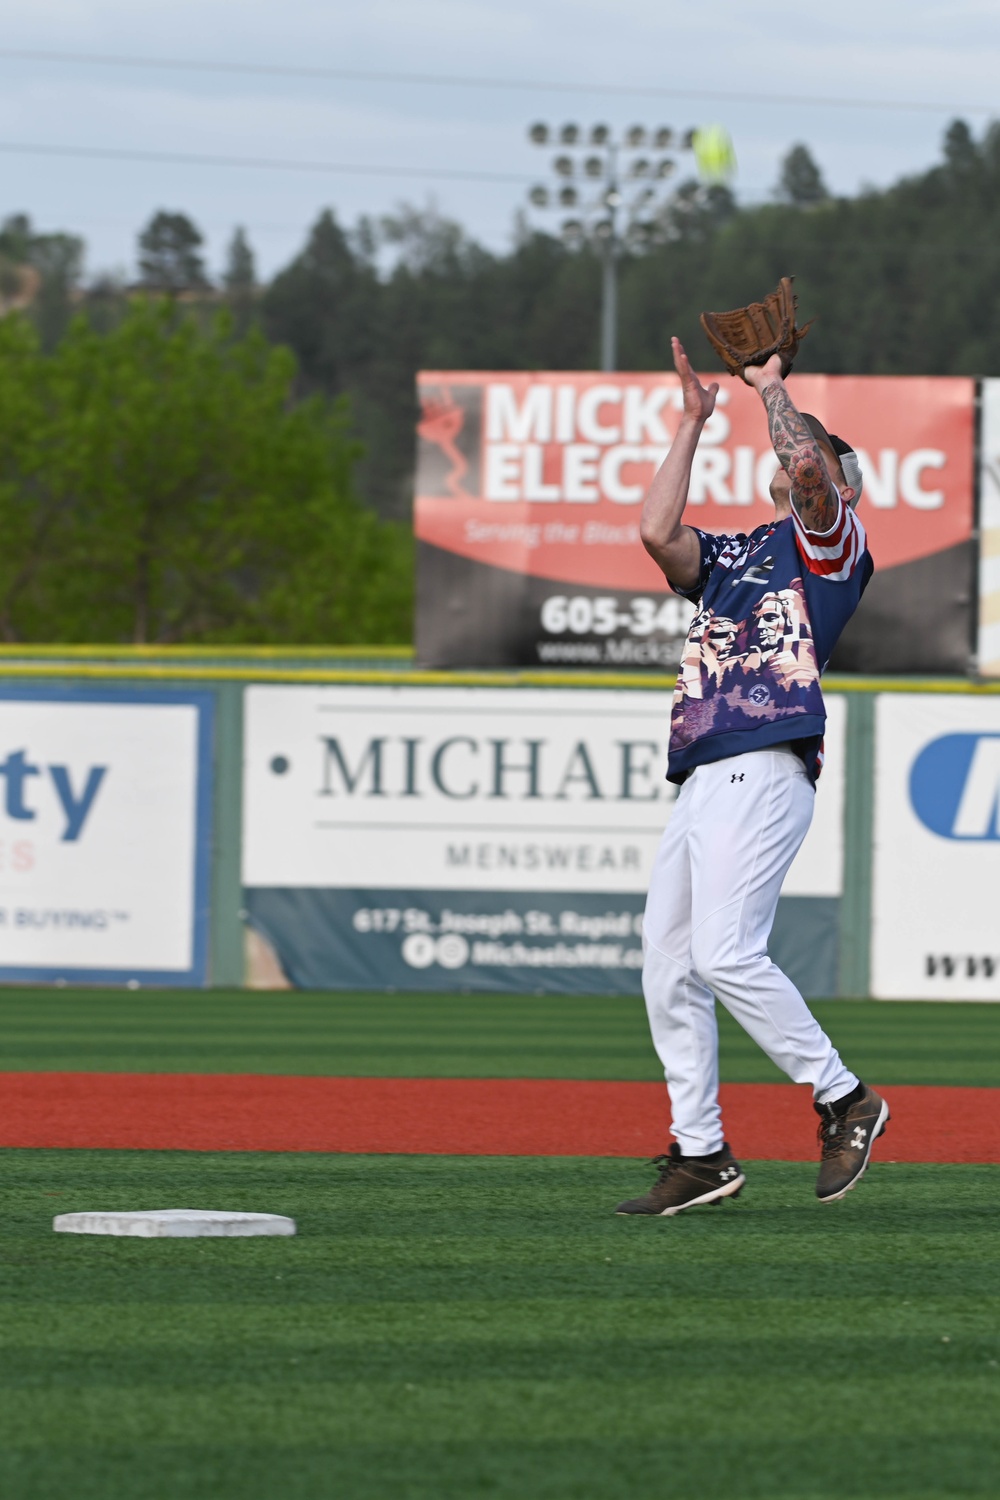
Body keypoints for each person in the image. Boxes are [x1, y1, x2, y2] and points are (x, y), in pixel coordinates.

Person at [616, 338, 888, 1217]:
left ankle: (845, 1098)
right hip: (704, 774)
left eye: (820, 457)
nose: (804, 458)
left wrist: (771, 386)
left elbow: (806, 466)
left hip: (766, 761)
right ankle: (701, 1153)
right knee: (668, 967)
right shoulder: (737, 554)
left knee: (726, 953)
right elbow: (657, 534)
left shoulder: (831, 545)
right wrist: (693, 421)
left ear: (840, 488)